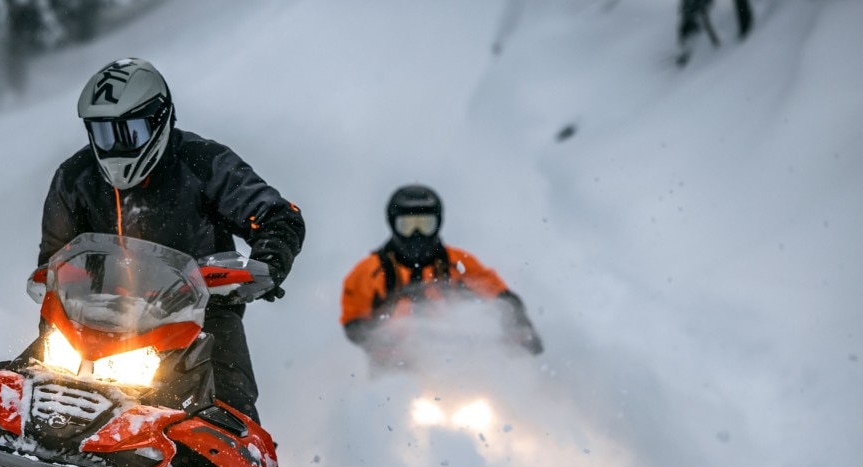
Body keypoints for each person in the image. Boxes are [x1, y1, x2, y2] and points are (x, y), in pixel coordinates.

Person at [36, 58, 305, 422]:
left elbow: (277, 215)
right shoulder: (75, 177)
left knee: (232, 414)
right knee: (23, 383)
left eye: (129, 132)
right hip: (96, 323)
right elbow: (55, 258)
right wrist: (52, 284)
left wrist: (270, 259)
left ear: (159, 120)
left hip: (200, 321)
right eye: (103, 133)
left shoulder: (204, 163)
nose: (116, 146)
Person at [340, 184, 542, 363]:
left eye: (425, 225)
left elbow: (496, 293)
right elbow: (353, 320)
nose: (417, 235)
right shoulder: (369, 272)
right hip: (395, 366)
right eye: (408, 226)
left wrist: (519, 325)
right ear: (393, 224)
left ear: (438, 223)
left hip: (457, 362)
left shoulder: (459, 264)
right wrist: (380, 340)